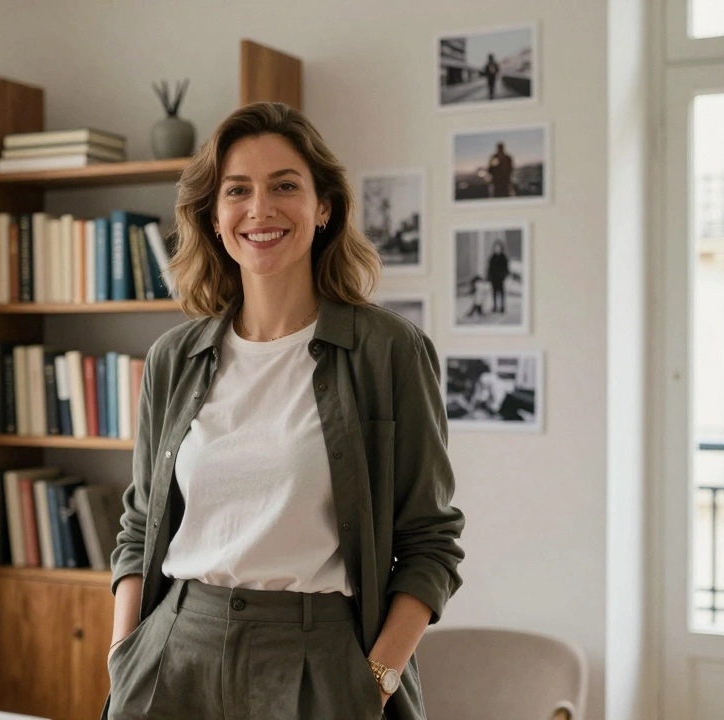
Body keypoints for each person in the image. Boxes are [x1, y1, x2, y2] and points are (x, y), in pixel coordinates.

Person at [102, 102, 465, 720]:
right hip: (173, 659)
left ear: (324, 207)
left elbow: (431, 542)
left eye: (285, 186)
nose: (260, 209)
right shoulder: (173, 358)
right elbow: (139, 529)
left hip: (320, 665)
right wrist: (124, 656)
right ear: (214, 217)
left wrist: (373, 679)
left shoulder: (388, 352)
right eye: (237, 191)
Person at [486, 240, 510, 313]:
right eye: (495, 247)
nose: (497, 249)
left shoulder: (504, 257)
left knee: (501, 292)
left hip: (500, 278)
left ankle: (502, 307)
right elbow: (489, 268)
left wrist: (504, 276)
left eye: (498, 247)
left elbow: (506, 268)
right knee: (494, 292)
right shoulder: (492, 257)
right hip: (494, 278)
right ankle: (495, 306)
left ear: (501, 248)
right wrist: (489, 276)